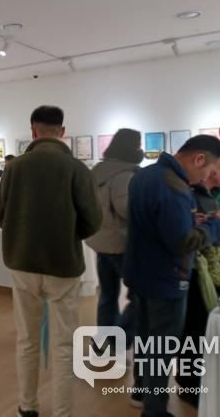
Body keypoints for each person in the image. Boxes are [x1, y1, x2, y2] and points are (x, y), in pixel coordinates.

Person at [0, 105, 102, 417]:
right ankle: (62, 412)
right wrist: (69, 234)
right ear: (62, 131)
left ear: (33, 131)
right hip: (63, 265)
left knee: (26, 340)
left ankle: (27, 406)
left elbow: (0, 215)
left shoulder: (15, 167)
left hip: (22, 262)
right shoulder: (77, 169)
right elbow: (93, 220)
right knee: (63, 345)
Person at [123, 135, 220, 417]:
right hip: (167, 279)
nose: (205, 179)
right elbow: (182, 242)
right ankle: (155, 410)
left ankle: (144, 395)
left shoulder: (145, 175)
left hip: (141, 274)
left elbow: (157, 224)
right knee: (161, 349)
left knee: (147, 343)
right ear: (199, 159)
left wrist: (191, 220)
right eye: (209, 171)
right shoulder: (175, 186)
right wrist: (214, 223)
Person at [175, 160, 220, 407]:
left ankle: (209, 381)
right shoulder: (190, 195)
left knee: (212, 331)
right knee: (194, 331)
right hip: (198, 276)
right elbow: (187, 236)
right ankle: (188, 385)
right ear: (212, 171)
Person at [85, 129, 143, 347]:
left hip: (101, 241)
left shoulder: (98, 171)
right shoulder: (124, 174)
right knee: (139, 295)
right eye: (138, 145)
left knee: (107, 294)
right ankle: (120, 338)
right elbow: (126, 209)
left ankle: (104, 338)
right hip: (120, 243)